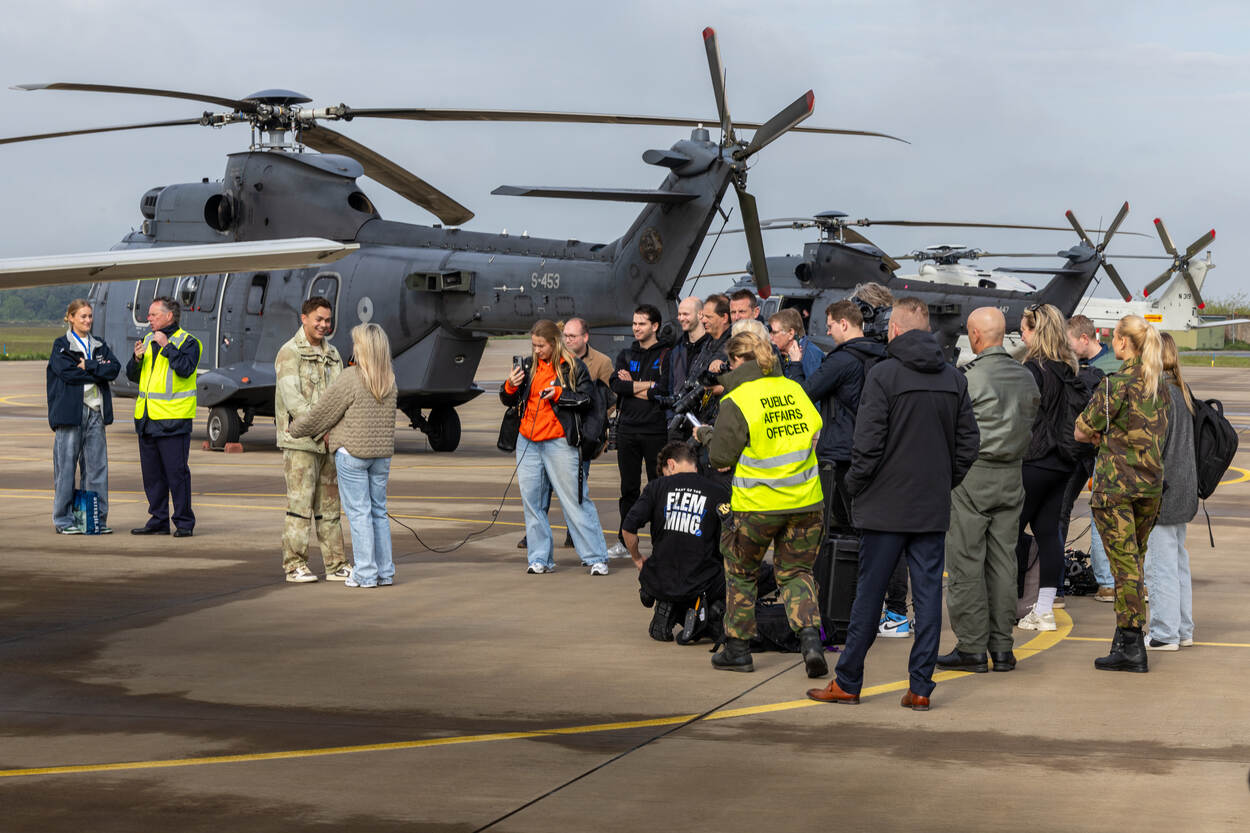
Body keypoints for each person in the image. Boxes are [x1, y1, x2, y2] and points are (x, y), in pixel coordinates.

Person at [807, 298, 979, 710]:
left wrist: (855, 485)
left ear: (895, 330)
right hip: (929, 506)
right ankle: (920, 686)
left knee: (869, 595)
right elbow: (968, 444)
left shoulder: (883, 375)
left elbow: (866, 444)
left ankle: (848, 681)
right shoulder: (953, 378)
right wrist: (944, 481)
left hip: (884, 506)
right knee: (927, 597)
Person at [698, 331, 827, 678]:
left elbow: (720, 457)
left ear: (738, 361)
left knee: (741, 574)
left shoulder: (738, 399)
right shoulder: (794, 389)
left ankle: (738, 649)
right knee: (797, 572)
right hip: (805, 502)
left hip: (757, 505)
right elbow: (815, 431)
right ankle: (811, 642)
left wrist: (706, 434)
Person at [937, 308, 1040, 674]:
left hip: (973, 474)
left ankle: (972, 646)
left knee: (966, 561)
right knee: (1003, 561)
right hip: (1012, 474)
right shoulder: (1026, 376)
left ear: (975, 336)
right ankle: (1002, 647)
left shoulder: (969, 378)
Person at [1075, 314, 1168, 672]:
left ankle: (1131, 643)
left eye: (1114, 336)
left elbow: (1081, 430)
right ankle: (1123, 638)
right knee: (1133, 561)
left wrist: (1103, 435)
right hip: (1150, 486)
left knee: (1124, 565)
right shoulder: (1158, 384)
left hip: (1117, 486)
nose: (1112, 341)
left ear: (1124, 343)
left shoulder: (1115, 384)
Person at [289, 323, 398, 588]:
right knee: (379, 512)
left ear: (363, 348)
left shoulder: (351, 378)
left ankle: (365, 573)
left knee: (359, 514)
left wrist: (295, 428)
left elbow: (323, 414)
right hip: (381, 456)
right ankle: (384, 572)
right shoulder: (389, 380)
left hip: (353, 454)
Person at [501, 320, 610, 575]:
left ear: (554, 343)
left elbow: (587, 399)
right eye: (534, 345)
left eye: (541, 346)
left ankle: (596, 557)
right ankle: (539, 558)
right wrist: (511, 385)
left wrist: (560, 394)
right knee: (533, 503)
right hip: (528, 441)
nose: (537, 350)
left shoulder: (573, 366)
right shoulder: (528, 366)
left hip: (559, 440)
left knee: (575, 500)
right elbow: (508, 399)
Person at [1014, 303, 1081, 631]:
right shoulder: (1069, 368)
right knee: (1048, 534)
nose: (1021, 336)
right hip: (1063, 463)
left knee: (1008, 532)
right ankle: (1043, 609)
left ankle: (1006, 601)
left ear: (1035, 332)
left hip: (1034, 460)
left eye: (1024, 330)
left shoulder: (1032, 370)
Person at [274, 297, 350, 584]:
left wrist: (336, 432)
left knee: (330, 509)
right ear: (304, 318)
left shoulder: (333, 354)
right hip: (301, 443)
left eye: (327, 320)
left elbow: (342, 395)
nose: (324, 325)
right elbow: (294, 402)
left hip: (329, 443)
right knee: (300, 507)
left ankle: (336, 564)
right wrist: (323, 429)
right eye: (319, 319)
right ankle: (295, 565)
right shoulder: (289, 353)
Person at [622, 441, 729, 644]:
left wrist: (637, 559)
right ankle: (704, 612)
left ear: (670, 464)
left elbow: (628, 528)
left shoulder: (656, 487)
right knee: (755, 575)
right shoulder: (717, 492)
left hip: (660, 577)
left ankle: (669, 603)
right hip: (701, 579)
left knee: (658, 565)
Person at [126, 296, 201, 537]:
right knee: (152, 476)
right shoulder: (148, 340)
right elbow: (133, 376)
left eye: (153, 314)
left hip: (173, 420)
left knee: (177, 475)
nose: (148, 318)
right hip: (147, 419)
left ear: (169, 316)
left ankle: (184, 522)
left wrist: (167, 346)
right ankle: (158, 519)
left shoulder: (189, 342)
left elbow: (185, 369)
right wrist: (136, 359)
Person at [1143, 333, 1198, 652]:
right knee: (1177, 562)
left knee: (1159, 564)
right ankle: (1182, 627)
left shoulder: (1158, 394)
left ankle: (1164, 632)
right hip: (1183, 488)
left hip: (1162, 491)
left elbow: (1153, 448)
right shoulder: (1182, 390)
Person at [46, 298, 120, 534]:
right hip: (71, 414)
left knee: (97, 469)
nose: (88, 320)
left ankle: (94, 520)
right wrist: (98, 373)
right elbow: (68, 374)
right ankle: (63, 520)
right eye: (83, 316)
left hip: (96, 412)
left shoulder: (99, 345)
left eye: (90, 316)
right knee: (66, 469)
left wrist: (88, 365)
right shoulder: (61, 345)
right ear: (71, 318)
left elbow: (114, 369)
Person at [608, 305, 670, 559]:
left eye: (641, 324)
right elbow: (616, 384)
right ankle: (624, 541)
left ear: (655, 326)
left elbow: (663, 389)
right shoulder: (626, 354)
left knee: (658, 487)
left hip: (655, 430)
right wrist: (647, 386)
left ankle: (660, 543)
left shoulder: (666, 354)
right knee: (629, 489)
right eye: (634, 323)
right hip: (628, 431)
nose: (636, 328)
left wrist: (633, 384)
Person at [1064, 314, 1117, 601]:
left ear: (1085, 338)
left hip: (1099, 450)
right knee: (1066, 508)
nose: (1068, 348)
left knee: (1100, 514)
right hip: (1082, 450)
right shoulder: (1087, 365)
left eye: (1070, 342)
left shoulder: (1109, 368)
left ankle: (1106, 581)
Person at [769, 308, 824, 381]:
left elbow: (809, 387)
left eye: (774, 333)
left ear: (790, 333)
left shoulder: (811, 356)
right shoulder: (779, 353)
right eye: (770, 332)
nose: (770, 337)